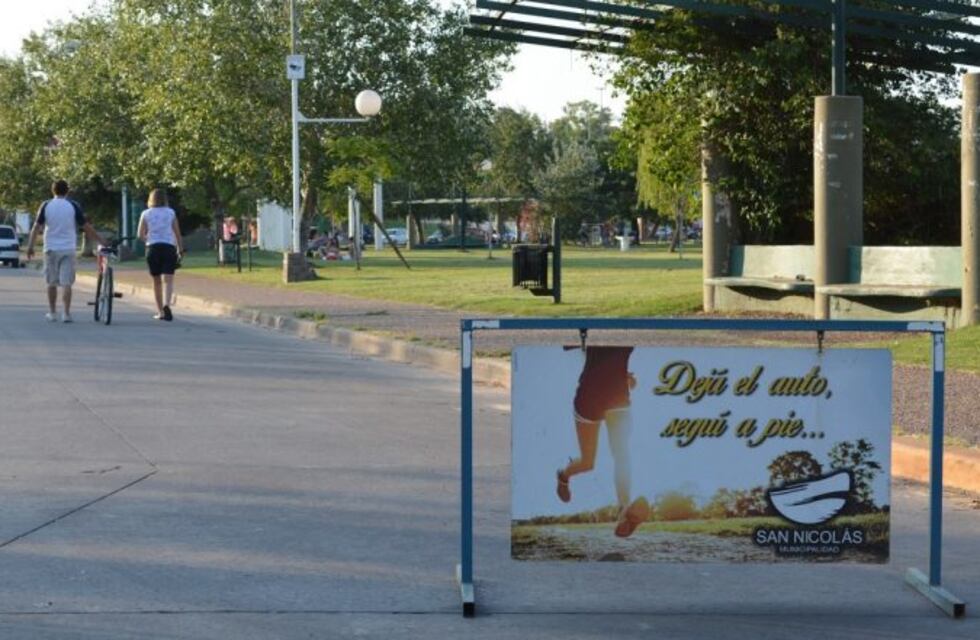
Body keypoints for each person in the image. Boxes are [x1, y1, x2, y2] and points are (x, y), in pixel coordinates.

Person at [556, 346, 651, 538]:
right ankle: (563, 476)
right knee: (587, 463)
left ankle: (624, 510)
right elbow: (569, 342)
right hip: (589, 398)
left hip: (618, 394)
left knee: (621, 454)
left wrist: (621, 374)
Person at [25, 180, 105, 323]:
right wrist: (100, 240)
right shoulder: (73, 206)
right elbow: (85, 226)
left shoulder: (46, 205)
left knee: (51, 282)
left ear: (53, 190)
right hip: (68, 248)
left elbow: (36, 227)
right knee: (67, 282)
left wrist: (30, 246)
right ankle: (66, 313)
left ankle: (52, 312)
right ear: (67, 191)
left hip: (50, 248)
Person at [137, 188, 183, 321]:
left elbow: (140, 234)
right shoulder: (171, 213)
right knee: (168, 280)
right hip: (169, 247)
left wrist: (148, 240)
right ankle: (167, 305)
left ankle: (160, 311)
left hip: (153, 248)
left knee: (156, 281)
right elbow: (177, 233)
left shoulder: (146, 213)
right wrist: (180, 249)